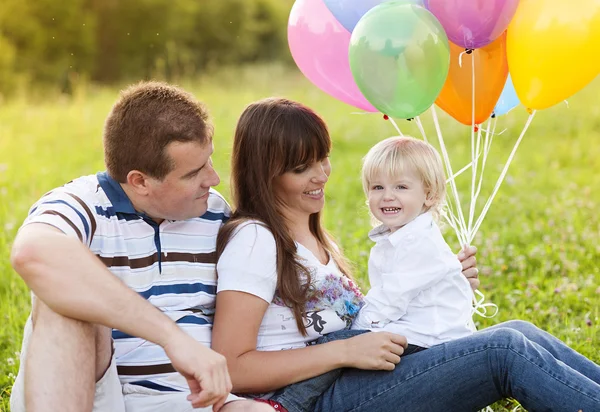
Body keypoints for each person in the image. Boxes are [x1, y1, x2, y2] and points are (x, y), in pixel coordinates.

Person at [212, 97, 600, 412]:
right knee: (504, 351)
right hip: (308, 400)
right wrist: (345, 350)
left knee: (519, 331)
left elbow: (373, 315)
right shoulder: (255, 241)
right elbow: (232, 366)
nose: (321, 174)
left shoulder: (312, 236)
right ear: (265, 174)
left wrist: (435, 282)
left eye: (322, 158)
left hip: (350, 378)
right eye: (302, 168)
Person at [9, 82, 275, 412]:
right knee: (65, 305)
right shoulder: (81, 204)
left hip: (193, 400)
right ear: (140, 181)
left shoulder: (215, 212)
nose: (213, 179)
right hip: (96, 394)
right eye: (193, 173)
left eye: (208, 161)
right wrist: (172, 338)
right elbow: (32, 253)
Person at [352, 136, 475, 353]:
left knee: (342, 352)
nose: (387, 196)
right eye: (378, 187)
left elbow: (390, 299)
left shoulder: (419, 243)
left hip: (432, 344)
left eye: (401, 187)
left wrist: (354, 331)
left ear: (429, 195)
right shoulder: (397, 239)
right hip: (415, 335)